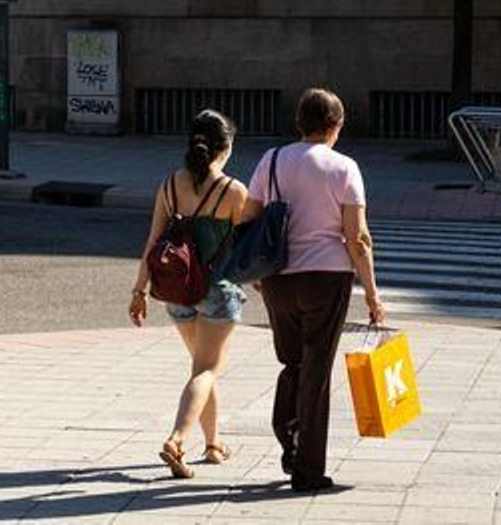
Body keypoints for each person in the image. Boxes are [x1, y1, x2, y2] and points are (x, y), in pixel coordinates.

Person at [244, 87, 385, 494]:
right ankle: (308, 470)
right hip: (326, 276)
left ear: (299, 123)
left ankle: (288, 435)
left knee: (292, 362)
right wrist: (372, 294)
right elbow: (357, 237)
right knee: (317, 371)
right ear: (336, 126)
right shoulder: (344, 168)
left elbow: (249, 216)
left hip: (277, 277)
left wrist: (256, 266)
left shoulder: (270, 160)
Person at [130, 110, 249, 480]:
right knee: (207, 369)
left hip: (176, 292)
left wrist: (139, 291)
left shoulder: (168, 186)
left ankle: (213, 445)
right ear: (225, 147)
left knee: (201, 368)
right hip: (218, 291)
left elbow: (153, 244)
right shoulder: (234, 192)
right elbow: (247, 250)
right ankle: (177, 439)